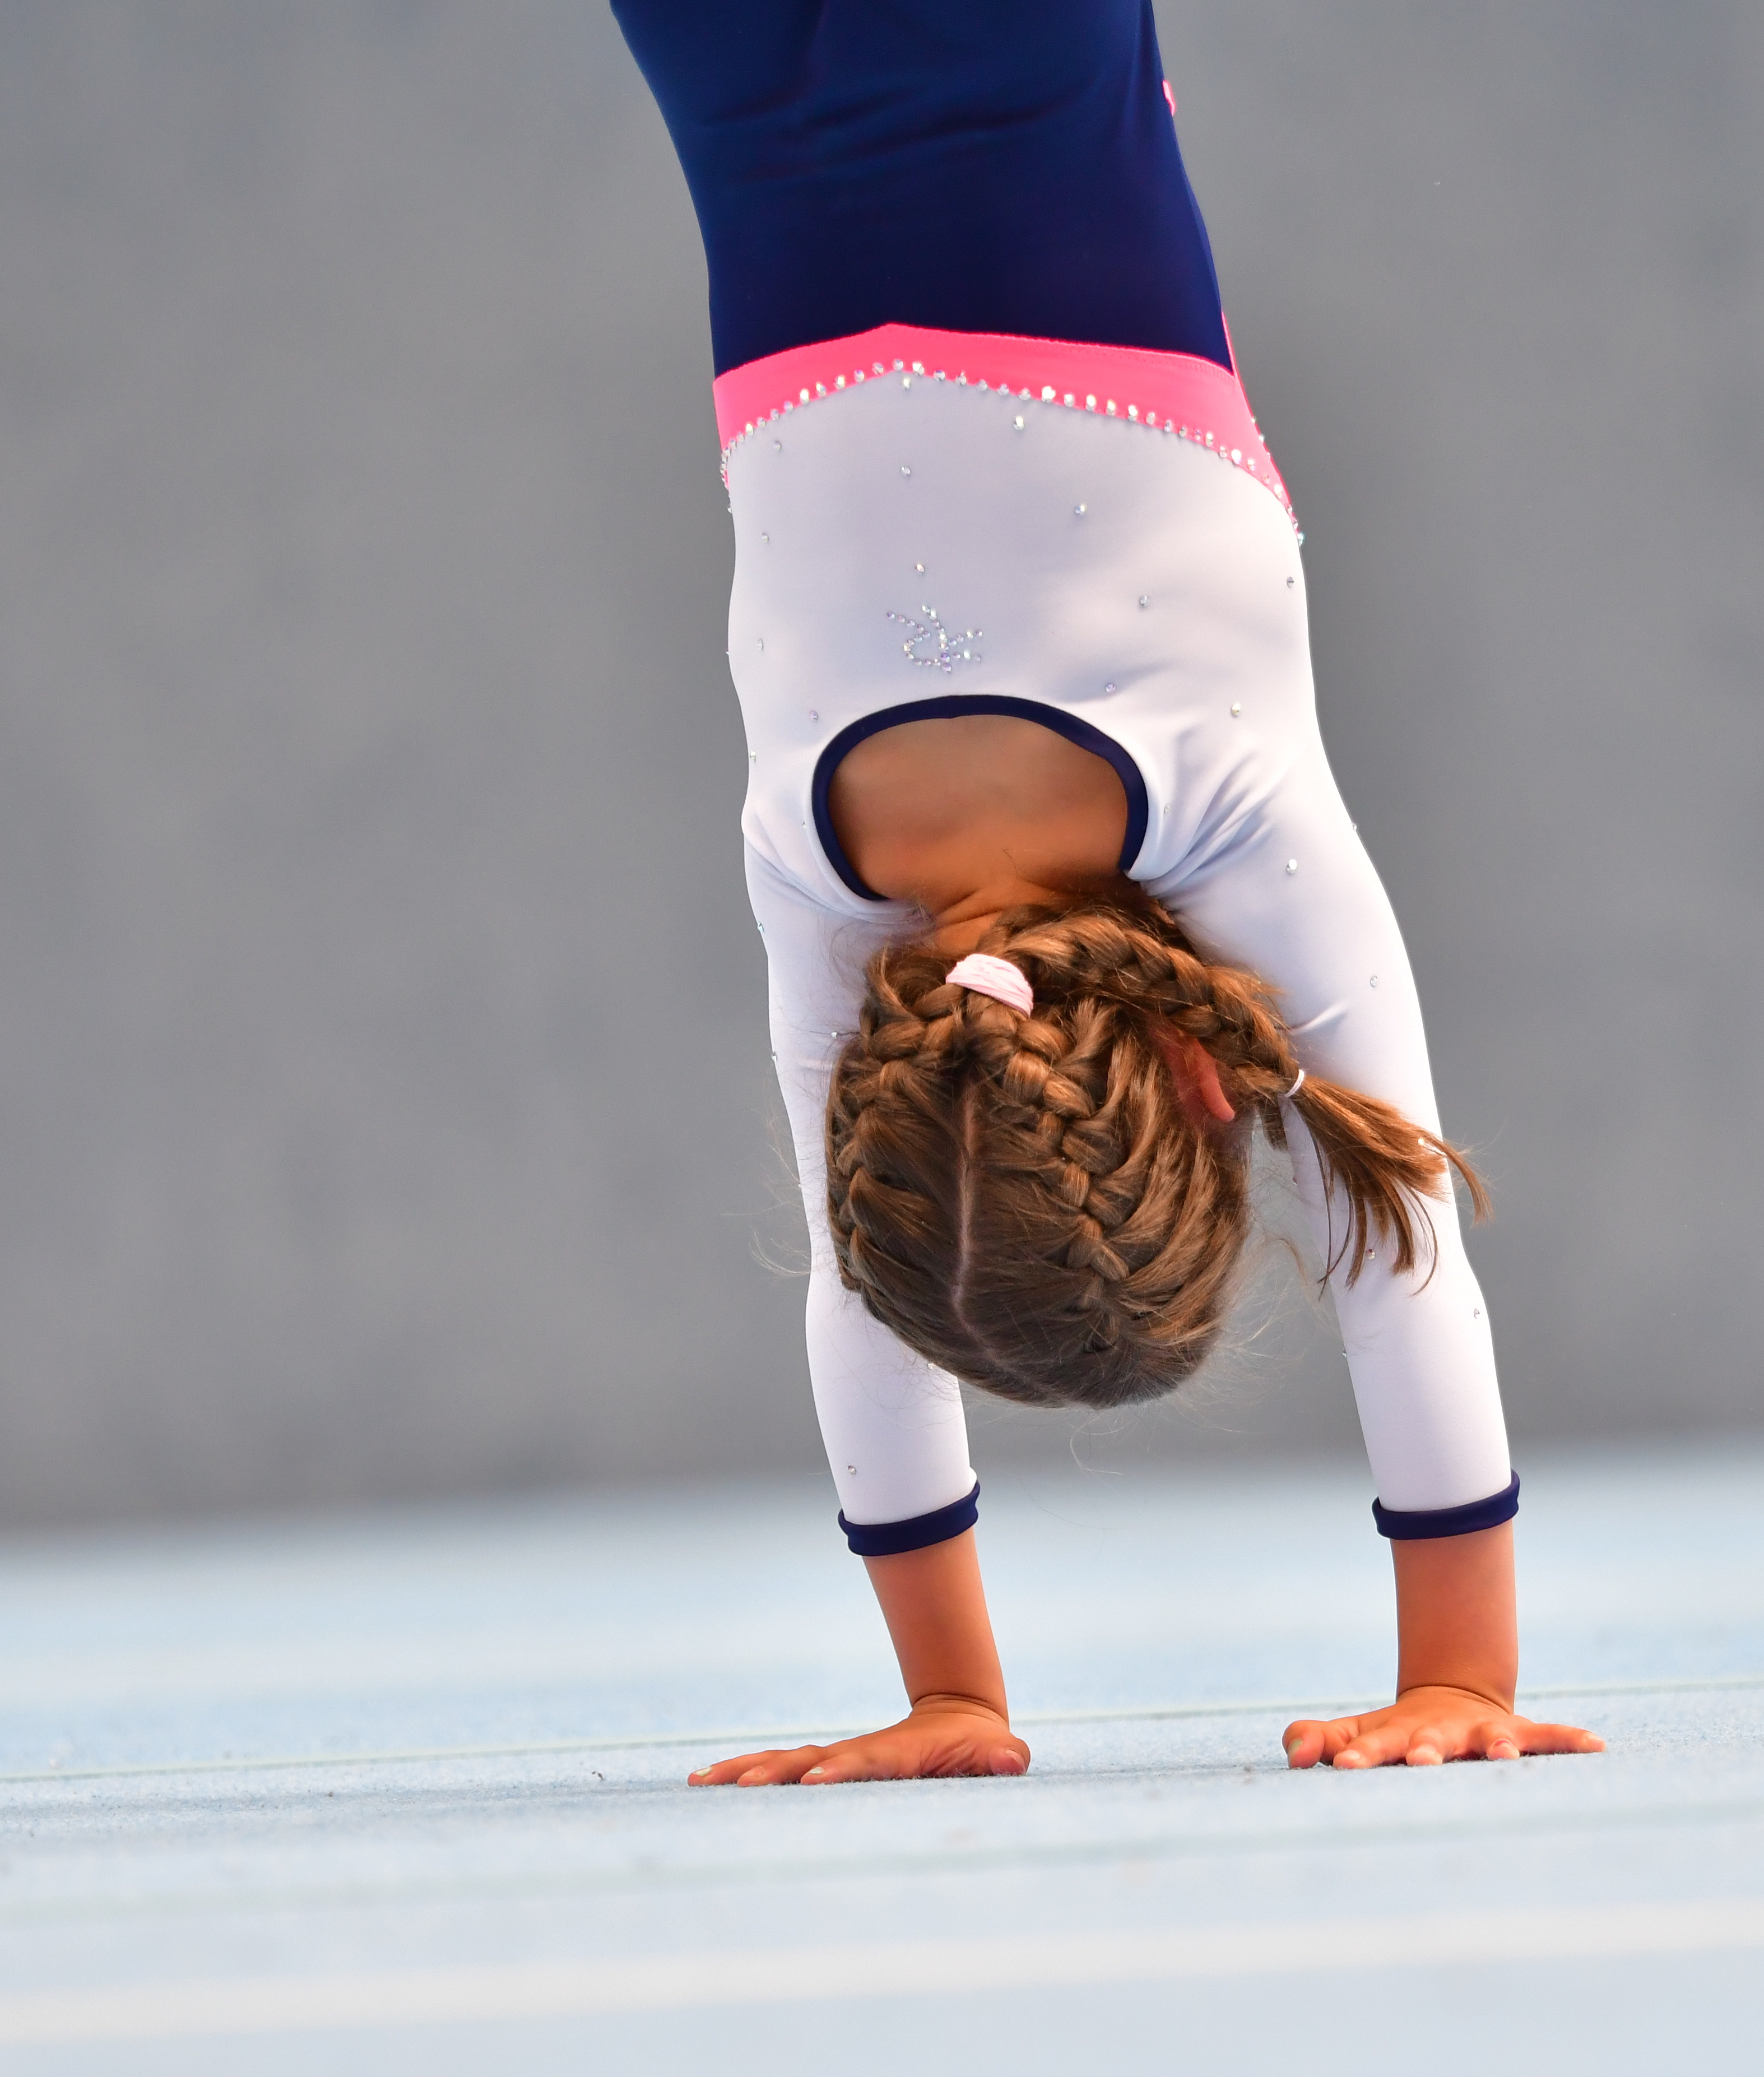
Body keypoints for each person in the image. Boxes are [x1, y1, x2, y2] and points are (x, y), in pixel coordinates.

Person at [612, 0, 1603, 1782]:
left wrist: (1463, 1665)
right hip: (746, 103)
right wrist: (947, 1699)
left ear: (1212, 1086)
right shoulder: (819, 874)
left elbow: (1403, 1259)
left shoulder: (1234, 803)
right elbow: (863, 1297)